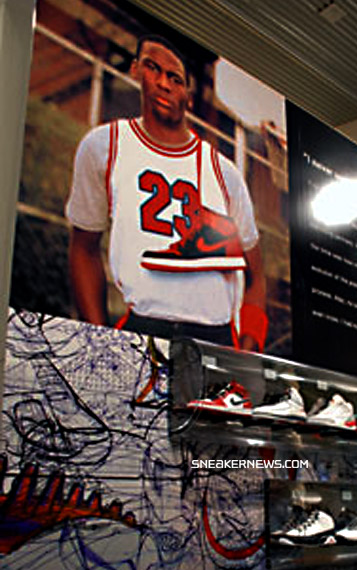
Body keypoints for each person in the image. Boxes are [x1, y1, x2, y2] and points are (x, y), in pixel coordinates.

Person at [66, 35, 266, 351]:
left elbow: (257, 279)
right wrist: (100, 342)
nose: (163, 83)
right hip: (142, 327)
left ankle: (197, 243)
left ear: (188, 93)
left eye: (175, 78)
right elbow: (83, 248)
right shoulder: (104, 145)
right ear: (134, 70)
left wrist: (250, 347)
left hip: (215, 335)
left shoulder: (223, 171)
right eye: (152, 68)